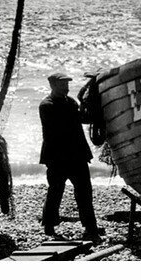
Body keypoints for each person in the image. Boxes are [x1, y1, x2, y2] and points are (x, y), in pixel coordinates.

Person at [38, 71, 103, 243]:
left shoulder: (70, 102)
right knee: (55, 191)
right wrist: (82, 106)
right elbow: (62, 124)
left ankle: (91, 227)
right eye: (62, 85)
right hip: (57, 157)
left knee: (84, 192)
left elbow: (84, 118)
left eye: (67, 85)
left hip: (77, 156)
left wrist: (94, 107)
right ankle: (49, 225)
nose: (66, 88)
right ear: (52, 86)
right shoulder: (46, 105)